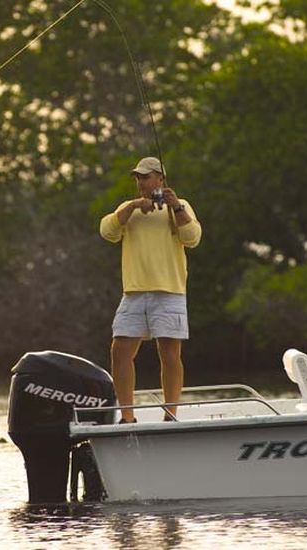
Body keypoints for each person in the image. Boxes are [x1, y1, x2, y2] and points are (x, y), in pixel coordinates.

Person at [99, 157, 202, 422]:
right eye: (138, 177)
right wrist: (134, 205)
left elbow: (192, 238)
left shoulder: (181, 206)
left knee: (169, 354)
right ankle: (127, 417)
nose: (140, 182)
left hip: (170, 292)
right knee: (119, 351)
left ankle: (170, 415)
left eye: (145, 177)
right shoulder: (128, 208)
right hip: (133, 293)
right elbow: (107, 231)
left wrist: (175, 206)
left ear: (160, 179)